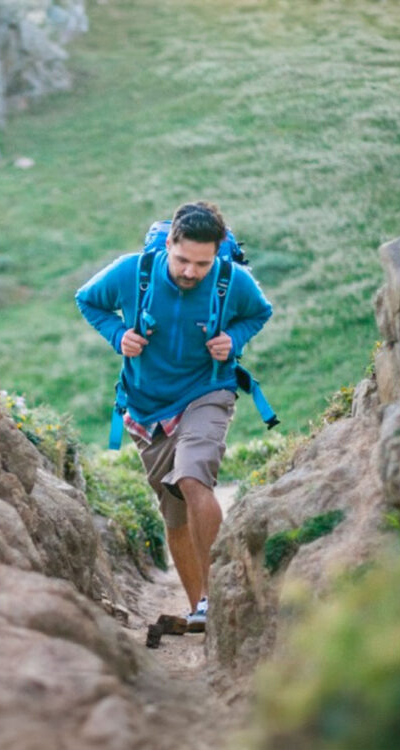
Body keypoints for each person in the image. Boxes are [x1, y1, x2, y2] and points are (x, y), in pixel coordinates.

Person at [75, 201, 272, 629]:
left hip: (208, 390)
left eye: (202, 263)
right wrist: (117, 335)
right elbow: (88, 300)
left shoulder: (229, 279)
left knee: (192, 476)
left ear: (217, 254)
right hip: (147, 406)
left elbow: (259, 311)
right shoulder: (133, 272)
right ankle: (200, 604)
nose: (190, 272)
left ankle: (225, 595)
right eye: (183, 260)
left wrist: (232, 339)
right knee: (174, 513)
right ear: (169, 244)